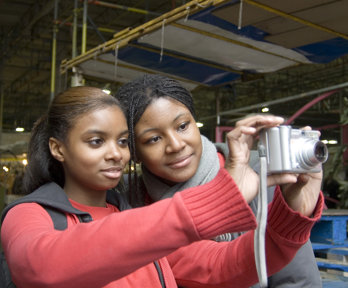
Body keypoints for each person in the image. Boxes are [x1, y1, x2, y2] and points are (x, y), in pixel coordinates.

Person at [0, 86, 321, 288]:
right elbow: (42, 267)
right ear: (58, 149)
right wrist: (216, 199)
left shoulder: (134, 215)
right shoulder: (31, 214)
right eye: (96, 141)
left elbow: (224, 264)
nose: (116, 153)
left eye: (122, 141)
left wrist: (291, 216)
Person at [116, 74, 324, 287]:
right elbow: (210, 266)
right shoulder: (131, 203)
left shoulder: (261, 175)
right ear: (135, 153)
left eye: (182, 126)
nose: (176, 145)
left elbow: (298, 279)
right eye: (154, 139)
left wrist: (292, 218)